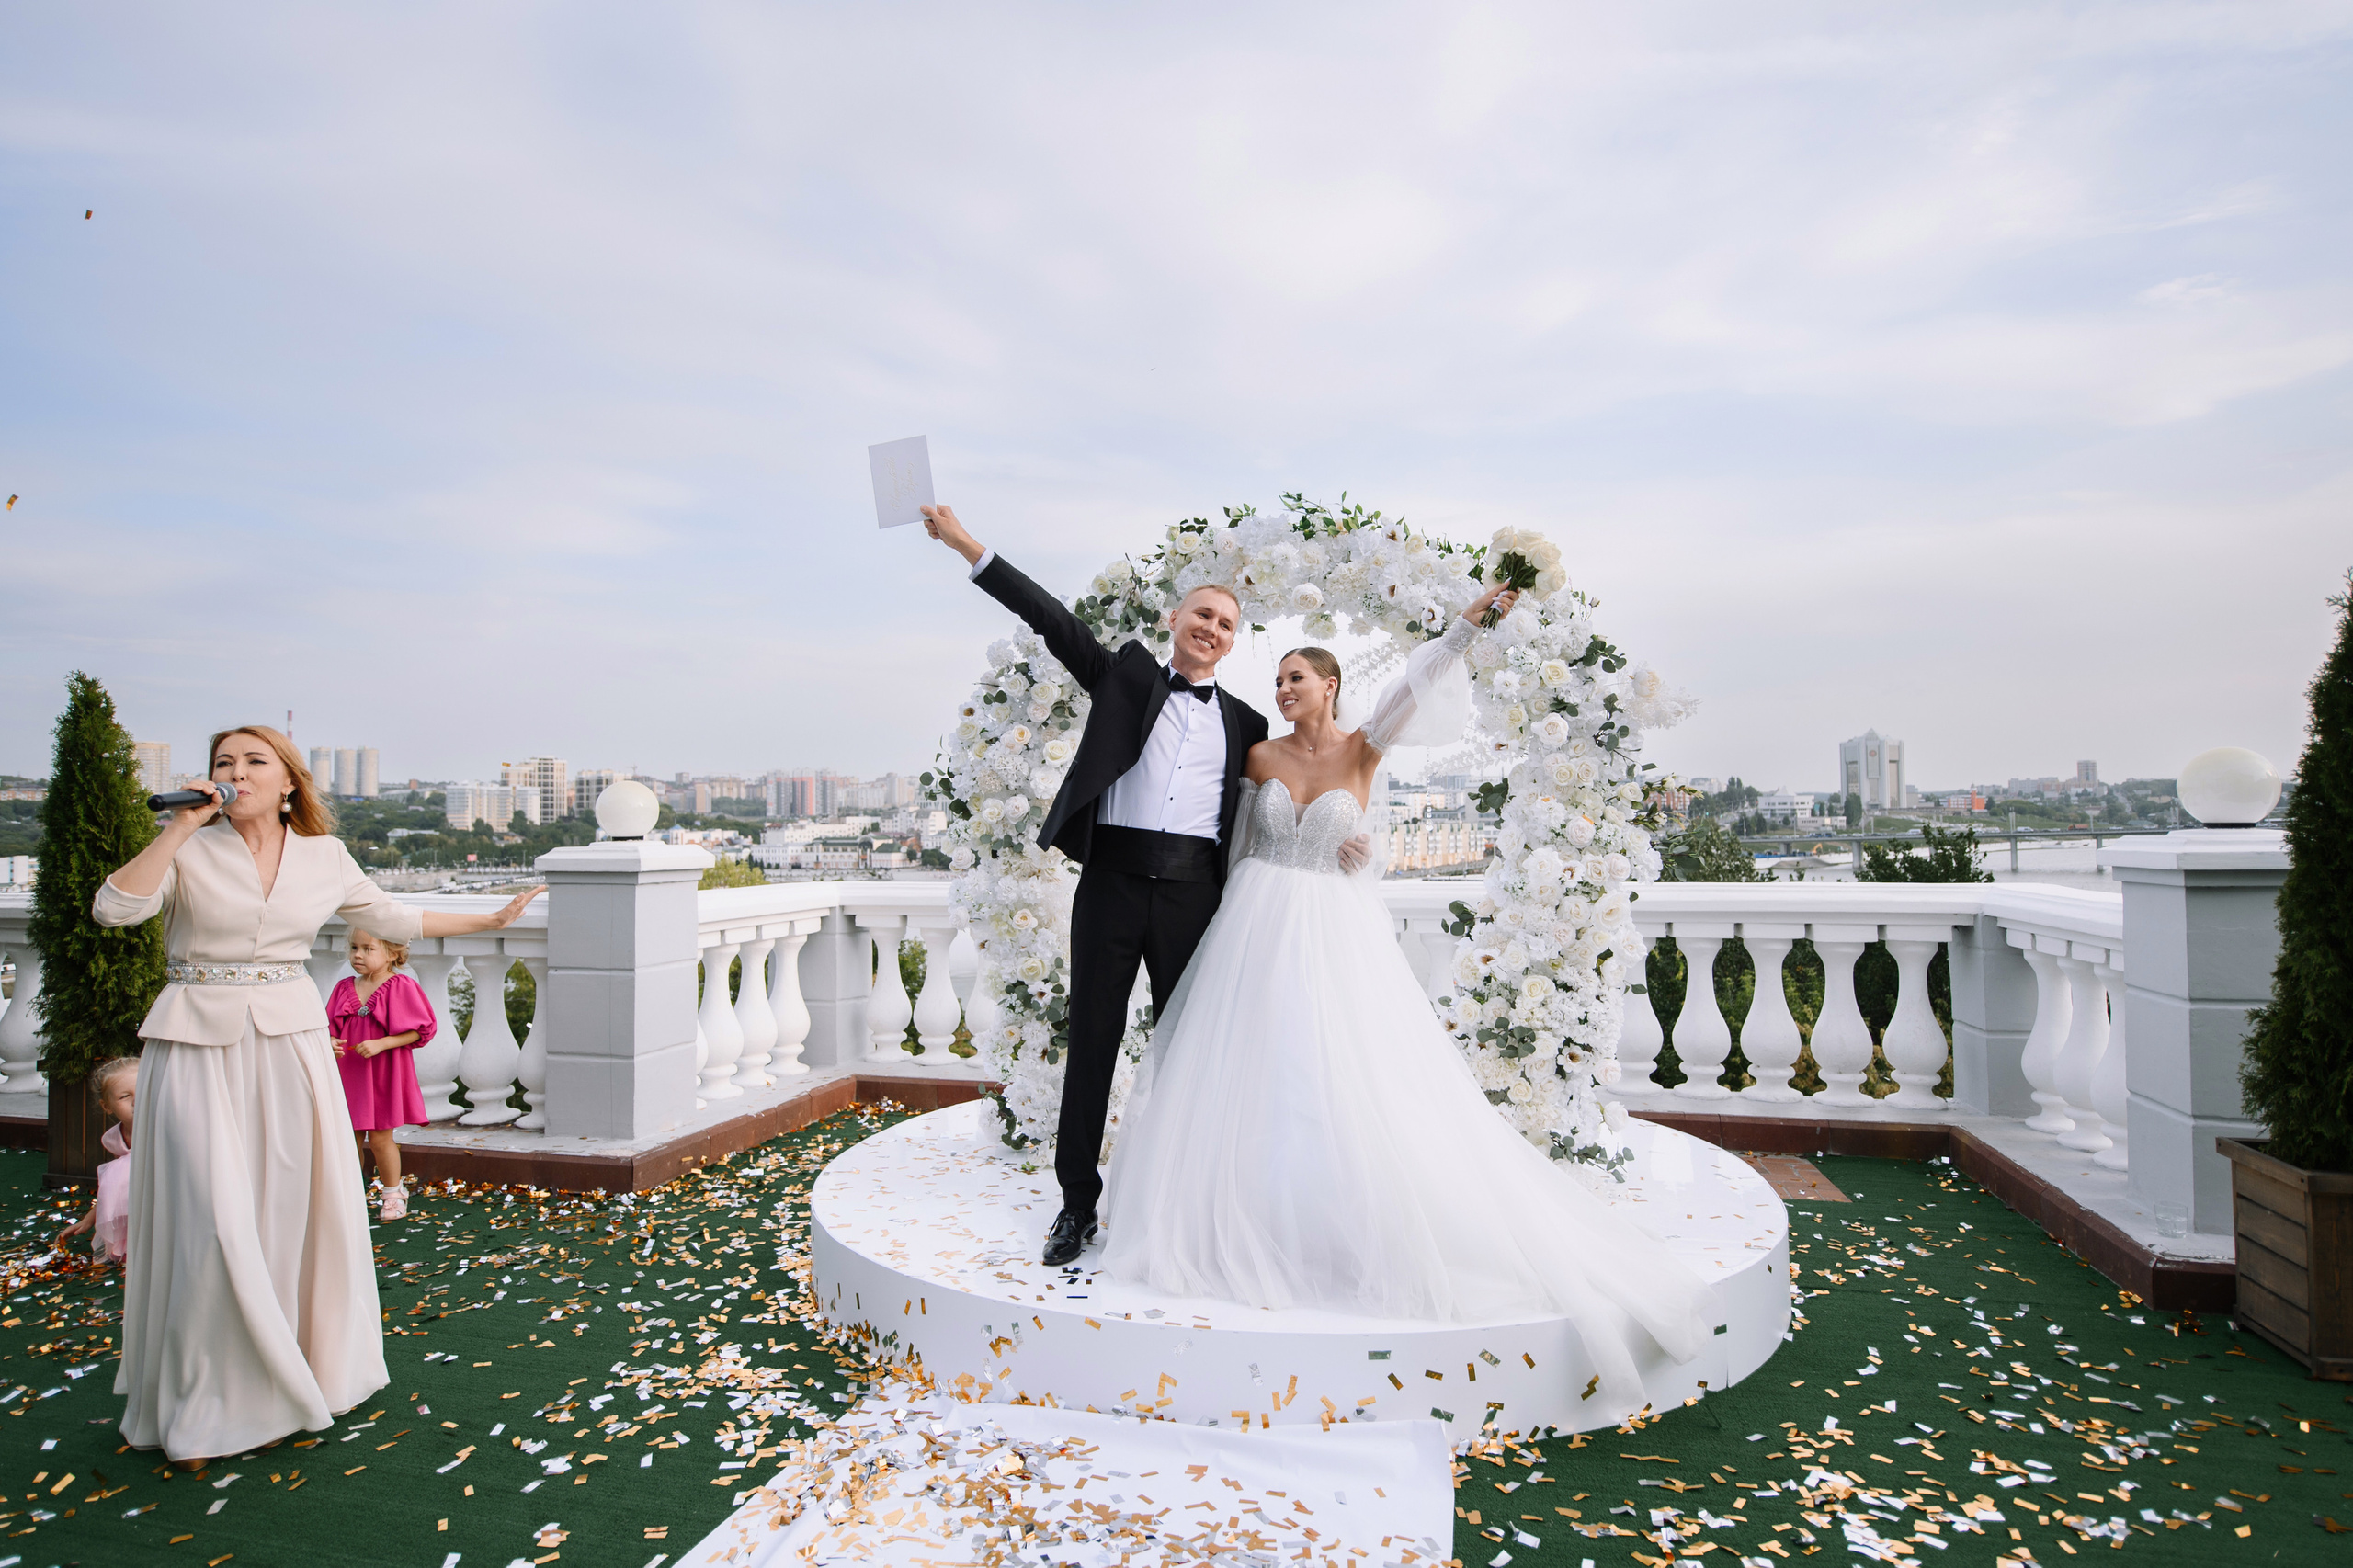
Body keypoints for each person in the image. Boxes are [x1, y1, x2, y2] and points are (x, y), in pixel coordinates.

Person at [1098, 588, 1715, 1419]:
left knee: (1341, 1080)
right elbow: (1234, 848)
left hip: (1331, 932)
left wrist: (1464, 627)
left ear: (1330, 686)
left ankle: (1339, 1229)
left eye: (1295, 679)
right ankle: (1259, 1225)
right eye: (1276, 680)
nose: (1282, 691)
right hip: (1253, 926)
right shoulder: (1258, 760)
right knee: (1256, 1082)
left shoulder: (1362, 751)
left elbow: (1416, 687)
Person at [93, 724, 543, 1466]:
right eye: (221, 763)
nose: (234, 772)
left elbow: (397, 920)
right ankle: (205, 1399)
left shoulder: (324, 856)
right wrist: (179, 827)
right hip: (198, 1051)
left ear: (289, 783)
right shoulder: (188, 848)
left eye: (252, 761)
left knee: (285, 1208)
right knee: (209, 1218)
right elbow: (115, 910)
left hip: (290, 1050)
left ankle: (294, 1371)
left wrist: (490, 918)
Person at [925, 502, 1296, 1266]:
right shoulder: (1123, 675)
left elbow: (1307, 773)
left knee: (1191, 1049)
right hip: (1111, 884)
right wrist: (966, 542)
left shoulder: (1249, 725)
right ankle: (1075, 1205)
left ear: (1234, 643)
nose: (1213, 629)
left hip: (1195, 898)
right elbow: (1051, 619)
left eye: (1226, 623)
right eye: (1203, 614)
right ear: (1175, 618)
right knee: (1092, 1043)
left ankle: (1190, 1202)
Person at [328, 927, 437, 1222]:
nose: (358, 955)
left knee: (379, 1137)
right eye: (354, 948)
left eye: (368, 949)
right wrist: (331, 1042)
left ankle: (393, 1194)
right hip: (350, 1072)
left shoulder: (401, 986)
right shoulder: (343, 988)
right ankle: (350, 1196)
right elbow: (329, 1028)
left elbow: (422, 1030)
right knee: (348, 1137)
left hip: (382, 1073)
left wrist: (382, 1043)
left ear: (393, 954)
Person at [61, 1056, 138, 1264]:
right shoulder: (118, 1138)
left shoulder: (167, 1130)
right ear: (107, 1107)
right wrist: (88, 1220)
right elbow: (115, 1187)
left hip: (167, 1202)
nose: (136, 1101)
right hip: (140, 1203)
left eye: (144, 1091)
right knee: (120, 1168)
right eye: (125, 1096)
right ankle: (131, 1246)